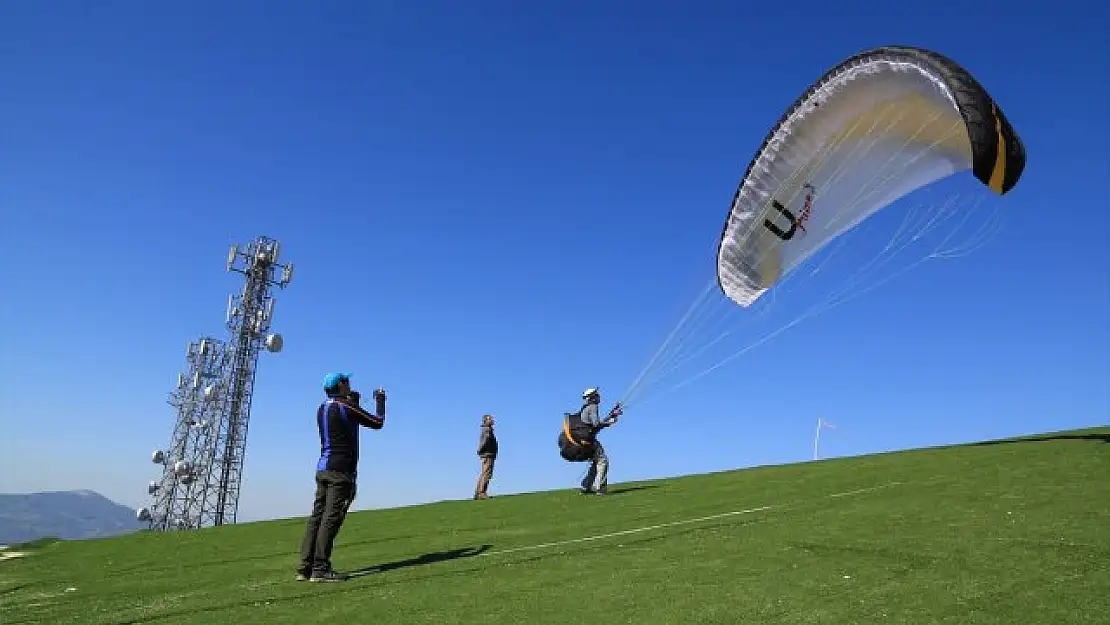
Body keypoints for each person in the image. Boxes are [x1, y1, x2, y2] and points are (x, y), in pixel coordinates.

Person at [296, 372, 386, 582]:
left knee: (317, 518)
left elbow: (345, 423)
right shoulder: (346, 406)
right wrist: (380, 399)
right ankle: (320, 569)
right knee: (331, 519)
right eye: (347, 381)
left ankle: (305, 567)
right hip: (341, 472)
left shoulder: (322, 408)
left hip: (323, 468)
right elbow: (377, 422)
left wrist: (351, 399)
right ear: (341, 385)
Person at [577, 387, 622, 495]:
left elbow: (594, 425)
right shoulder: (593, 407)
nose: (599, 396)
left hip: (582, 441)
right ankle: (601, 489)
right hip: (589, 441)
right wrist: (609, 422)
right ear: (593, 397)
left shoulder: (585, 408)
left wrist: (611, 416)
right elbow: (596, 424)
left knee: (595, 463)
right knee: (603, 462)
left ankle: (586, 486)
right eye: (597, 394)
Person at [473, 414, 498, 500]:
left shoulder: (487, 429)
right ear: (485, 421)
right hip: (488, 454)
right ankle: (481, 493)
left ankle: (478, 493)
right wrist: (480, 450)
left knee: (484, 473)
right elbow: (485, 441)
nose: (492, 420)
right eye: (490, 419)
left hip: (487, 454)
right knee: (487, 474)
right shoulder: (487, 430)